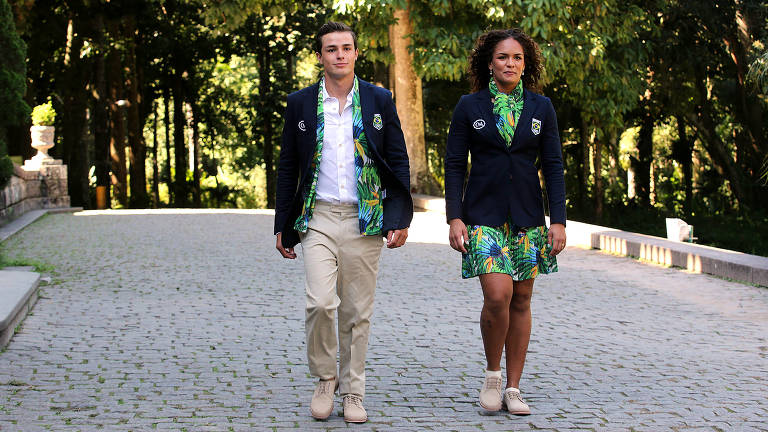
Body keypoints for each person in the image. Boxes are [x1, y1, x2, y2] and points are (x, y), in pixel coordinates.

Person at [274, 22, 412, 423]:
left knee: (356, 312)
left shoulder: (378, 99)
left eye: (345, 48)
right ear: (320, 56)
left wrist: (399, 216)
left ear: (355, 53)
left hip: (363, 218)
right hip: (316, 217)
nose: (338, 54)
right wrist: (283, 224)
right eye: (330, 49)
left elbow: (397, 158)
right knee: (319, 302)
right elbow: (288, 166)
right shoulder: (301, 103)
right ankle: (324, 378)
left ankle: (353, 392)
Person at [444, 28, 567, 415]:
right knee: (498, 296)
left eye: (517, 58)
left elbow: (554, 166)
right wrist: (455, 216)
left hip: (528, 217)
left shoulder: (541, 107)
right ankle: (493, 374)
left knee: (523, 298)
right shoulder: (469, 105)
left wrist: (558, 220)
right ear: (489, 62)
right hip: (482, 217)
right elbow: (453, 165)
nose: (510, 63)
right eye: (502, 57)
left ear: (525, 64)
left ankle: (514, 388)